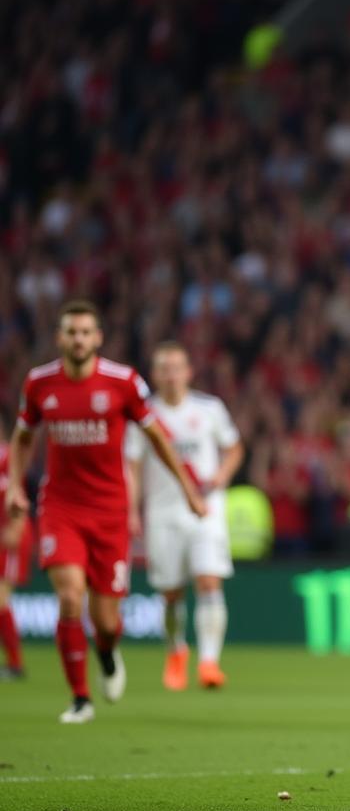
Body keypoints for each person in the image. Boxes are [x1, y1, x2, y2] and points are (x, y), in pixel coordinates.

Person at [4, 302, 206, 724]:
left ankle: (109, 654)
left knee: (107, 621)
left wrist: (188, 487)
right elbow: (23, 439)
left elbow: (159, 439)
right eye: (70, 332)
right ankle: (80, 697)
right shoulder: (40, 383)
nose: (78, 339)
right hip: (61, 507)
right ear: (60, 338)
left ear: (97, 338)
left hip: (110, 512)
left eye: (85, 332)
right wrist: (17, 486)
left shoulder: (124, 382)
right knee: (69, 596)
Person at [126, 342, 244, 691]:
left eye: (177, 367)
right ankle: (176, 650)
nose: (171, 374)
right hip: (163, 511)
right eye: (164, 368)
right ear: (155, 374)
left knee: (209, 581)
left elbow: (234, 447)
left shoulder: (209, 408)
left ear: (189, 372)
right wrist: (131, 511)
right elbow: (131, 466)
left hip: (206, 509)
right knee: (171, 593)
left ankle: (209, 661)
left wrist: (222, 475)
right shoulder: (143, 416)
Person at [0, 420, 34, 679]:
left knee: (0, 599)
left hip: (9, 535)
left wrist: (17, 524)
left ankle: (15, 663)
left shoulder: (7, 457)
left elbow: (20, 489)